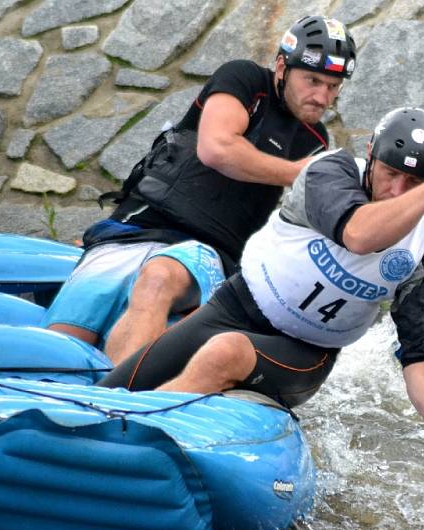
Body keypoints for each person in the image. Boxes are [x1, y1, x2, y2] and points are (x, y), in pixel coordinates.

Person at [98, 107, 424, 463]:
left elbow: (422, 351)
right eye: (392, 174)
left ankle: (131, 453)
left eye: (414, 182)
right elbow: (359, 234)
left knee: (225, 353)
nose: (397, 191)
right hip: (233, 307)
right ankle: (96, 437)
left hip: (305, 353)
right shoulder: (329, 172)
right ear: (371, 156)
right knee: (115, 391)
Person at [42, 16, 357, 365]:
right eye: (312, 80)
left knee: (159, 277)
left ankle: (122, 403)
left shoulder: (315, 143)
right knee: (65, 338)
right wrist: (296, 173)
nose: (322, 97)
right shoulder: (245, 80)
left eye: (333, 86)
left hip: (207, 252)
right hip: (134, 229)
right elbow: (216, 149)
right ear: (282, 66)